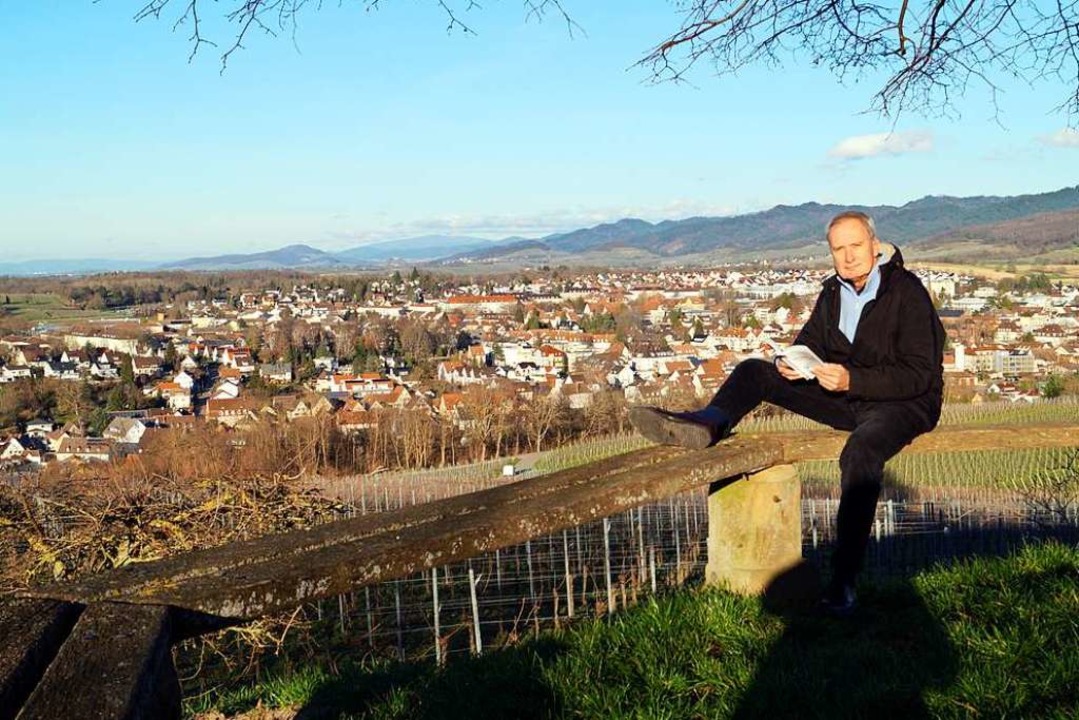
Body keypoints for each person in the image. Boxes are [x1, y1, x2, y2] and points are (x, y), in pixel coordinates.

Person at [629, 211, 945, 614]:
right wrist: (793, 364)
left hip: (904, 403)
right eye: (838, 249)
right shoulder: (834, 292)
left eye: (855, 246)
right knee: (753, 371)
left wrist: (852, 381)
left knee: (861, 452)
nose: (848, 257)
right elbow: (811, 343)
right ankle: (708, 424)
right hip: (847, 395)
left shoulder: (906, 291)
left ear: (874, 244)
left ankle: (843, 582)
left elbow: (918, 374)